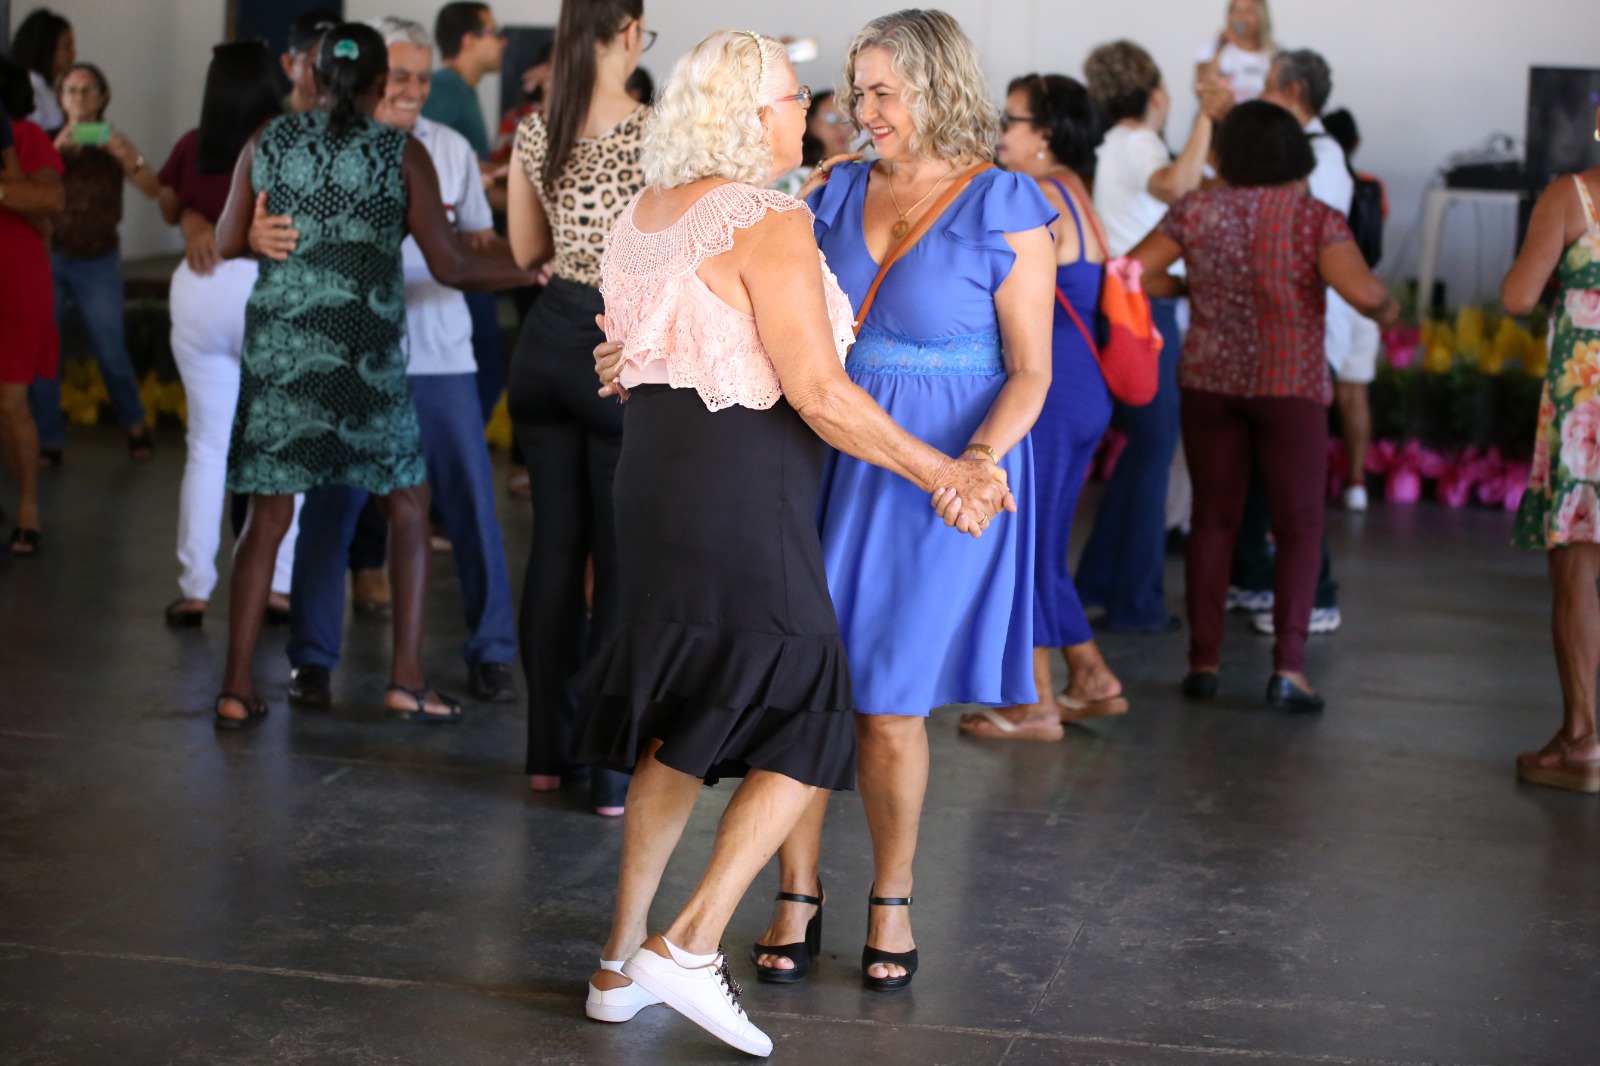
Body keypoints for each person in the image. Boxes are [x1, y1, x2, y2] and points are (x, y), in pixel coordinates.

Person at [574, 30, 1009, 1056]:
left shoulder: (646, 213)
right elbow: (817, 394)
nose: (804, 112)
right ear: (744, 114)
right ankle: (685, 945)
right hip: (743, 488)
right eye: (787, 98)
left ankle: (614, 962)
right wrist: (943, 469)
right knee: (811, 710)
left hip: (652, 482)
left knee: (682, 718)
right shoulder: (765, 219)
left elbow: (624, 351)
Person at [752, 9, 1054, 992]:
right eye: (856, 88)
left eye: (884, 91)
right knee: (804, 684)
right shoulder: (830, 190)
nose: (862, 109)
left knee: (886, 702)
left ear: (937, 90)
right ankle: (797, 888)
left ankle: (891, 892)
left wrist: (972, 460)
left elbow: (1030, 373)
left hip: (943, 478)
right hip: (823, 455)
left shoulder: (1005, 203)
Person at [209, 22, 536, 727]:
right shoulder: (400, 152)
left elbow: (226, 238)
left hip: (281, 356)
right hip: (364, 356)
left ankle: (236, 687)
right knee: (410, 507)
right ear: (380, 84)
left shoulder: (268, 141)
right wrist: (533, 269)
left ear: (315, 78)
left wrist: (262, 238)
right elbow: (450, 264)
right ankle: (406, 679)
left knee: (268, 517)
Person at [1128, 100, 1397, 712]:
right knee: (1299, 525)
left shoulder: (1196, 211)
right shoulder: (1315, 220)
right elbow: (1366, 293)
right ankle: (1289, 669)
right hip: (1289, 386)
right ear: (1293, 156)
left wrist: (1191, 285)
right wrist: (1388, 310)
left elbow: (1134, 273)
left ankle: (1203, 662)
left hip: (1209, 382)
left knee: (1214, 521)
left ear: (1228, 153)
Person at [505, 0, 651, 816]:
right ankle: (609, 772)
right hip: (615, 353)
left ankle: (546, 756)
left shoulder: (539, 128)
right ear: (629, 32)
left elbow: (528, 253)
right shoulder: (656, 132)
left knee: (555, 553)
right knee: (621, 567)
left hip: (545, 345)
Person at [959, 73, 1127, 740]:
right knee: (1043, 545)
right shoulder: (1078, 194)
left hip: (1048, 391)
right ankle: (1085, 677)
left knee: (1028, 545)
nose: (1001, 132)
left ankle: (1036, 703)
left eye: (1013, 120)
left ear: (1046, 135)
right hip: (1082, 387)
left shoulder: (1036, 197)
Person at [1077, 40, 1230, 633]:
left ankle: (1100, 582)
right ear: (1156, 94)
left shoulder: (1114, 144)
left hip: (1123, 311)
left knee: (1142, 453)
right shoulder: (1138, 141)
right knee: (1153, 455)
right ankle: (1134, 601)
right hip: (1146, 315)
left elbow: (1186, 184)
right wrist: (1210, 118)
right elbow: (1174, 186)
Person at [156, 42, 299, 627]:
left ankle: (194, 588)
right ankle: (279, 587)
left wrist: (195, 216)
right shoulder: (287, 139)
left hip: (199, 285)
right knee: (287, 447)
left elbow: (168, 203)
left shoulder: (197, 141)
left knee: (207, 447)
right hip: (267, 288)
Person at [1234, 47, 1351, 634]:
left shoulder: (1318, 161)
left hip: (1301, 339)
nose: (1259, 98)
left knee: (1296, 490)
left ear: (1295, 91)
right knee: (1260, 474)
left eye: (1269, 87)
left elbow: (1315, 245)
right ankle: (1255, 579)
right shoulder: (1301, 155)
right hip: (1268, 338)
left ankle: (1318, 595)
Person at [1502, 108, 1600, 794]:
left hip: (1586, 403)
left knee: (1577, 571)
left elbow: (1516, 296)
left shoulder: (1573, 196)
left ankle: (1583, 737)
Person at [27, 63, 159, 467]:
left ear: (103, 97)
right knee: (46, 351)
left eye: (88, 91)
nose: (79, 100)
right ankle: (49, 437)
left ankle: (136, 425)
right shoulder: (46, 141)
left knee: (110, 349)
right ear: (60, 97)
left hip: (98, 259)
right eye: (71, 91)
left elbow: (154, 188)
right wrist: (56, 153)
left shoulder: (113, 142)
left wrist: (126, 155)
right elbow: (27, 193)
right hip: (51, 257)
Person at [423, 2, 509, 425]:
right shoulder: (444, 88)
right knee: (482, 369)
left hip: (466, 245)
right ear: (468, 40)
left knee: (487, 368)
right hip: (453, 251)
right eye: (495, 32)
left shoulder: (461, 91)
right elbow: (421, 159)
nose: (503, 41)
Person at [0, 54, 64, 557]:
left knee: (10, 401)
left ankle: (28, 507)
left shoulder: (28, 136)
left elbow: (48, 202)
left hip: (16, 279)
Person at [1323, 106, 1383, 512]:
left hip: (1327, 291)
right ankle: (1356, 483)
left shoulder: (1315, 188)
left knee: (1312, 397)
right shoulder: (1371, 186)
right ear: (1356, 143)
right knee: (1354, 394)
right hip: (1362, 289)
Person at [1195, 0, 1276, 103]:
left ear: (1262, 16)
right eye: (1236, 10)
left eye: (1248, 10)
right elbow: (1201, 89)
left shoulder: (1275, 55)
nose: (1240, 16)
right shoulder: (1213, 48)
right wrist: (1220, 47)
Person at [8, 8, 72, 131]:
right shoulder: (29, 92)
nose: (73, 54)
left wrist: (103, 133)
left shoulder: (51, 87)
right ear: (46, 48)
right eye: (66, 47)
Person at [280, 10, 339, 114]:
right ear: (288, 65)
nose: (325, 73)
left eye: (335, 62)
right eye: (314, 61)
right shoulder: (267, 124)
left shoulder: (360, 123)